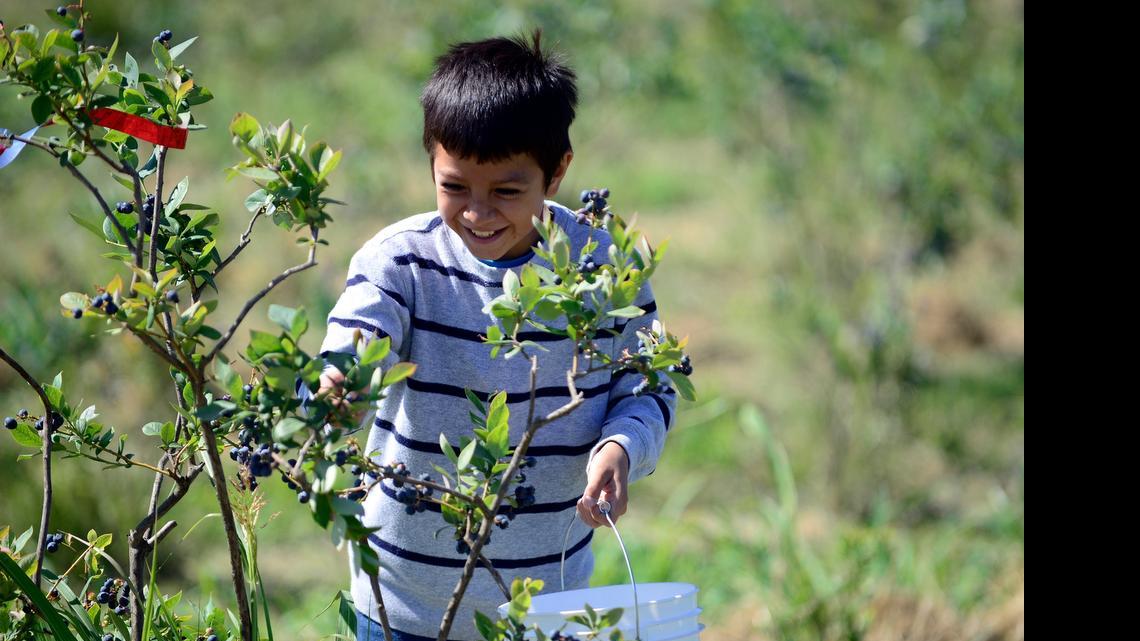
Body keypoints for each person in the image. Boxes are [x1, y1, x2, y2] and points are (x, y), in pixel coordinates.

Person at [317, 31, 675, 641]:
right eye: (455, 187)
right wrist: (343, 377)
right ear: (431, 161)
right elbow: (361, 328)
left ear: (557, 172)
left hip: (540, 606)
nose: (478, 214)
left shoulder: (603, 272)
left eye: (507, 192)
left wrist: (620, 448)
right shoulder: (401, 263)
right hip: (398, 605)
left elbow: (647, 385)